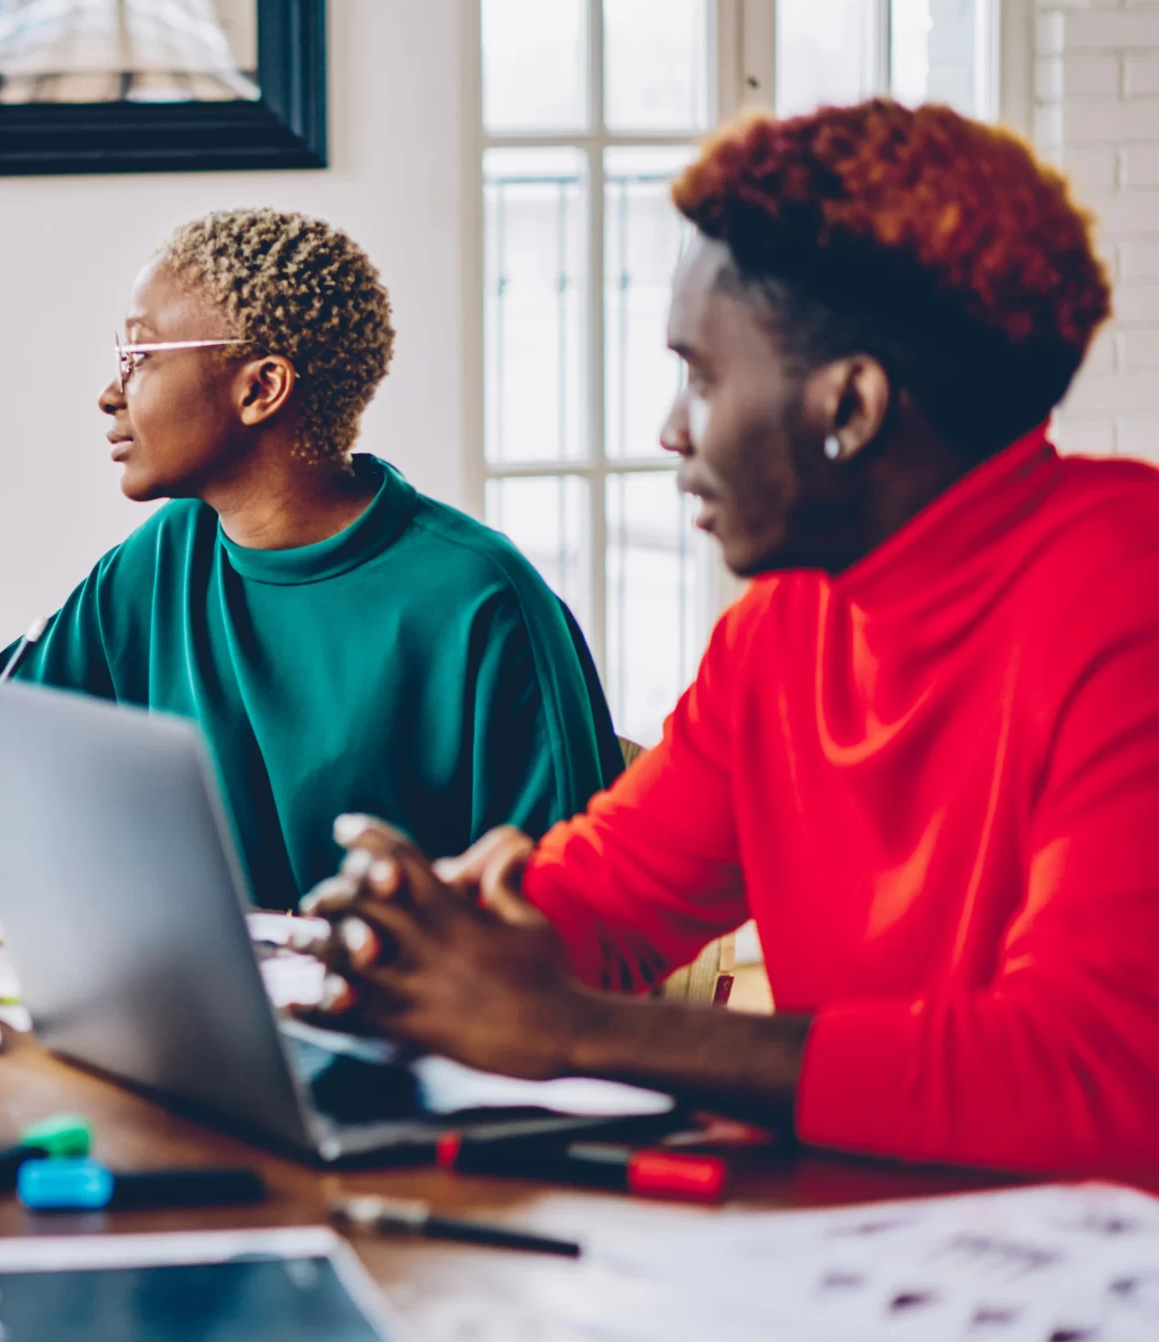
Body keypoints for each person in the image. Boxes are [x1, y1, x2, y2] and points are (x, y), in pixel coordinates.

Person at [294, 99, 1159, 1183]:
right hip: (881, 1241)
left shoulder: (1128, 599)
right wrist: (436, 937)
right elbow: (612, 893)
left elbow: (1092, 1076)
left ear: (849, 406)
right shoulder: (785, 626)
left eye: (702, 377)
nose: (671, 429)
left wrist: (573, 1028)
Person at [0, 209, 621, 907]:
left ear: (261, 389)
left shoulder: (479, 601)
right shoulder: (165, 556)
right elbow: (6, 762)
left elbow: (569, 918)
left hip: (423, 1035)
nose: (109, 395)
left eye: (140, 357)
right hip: (215, 1014)